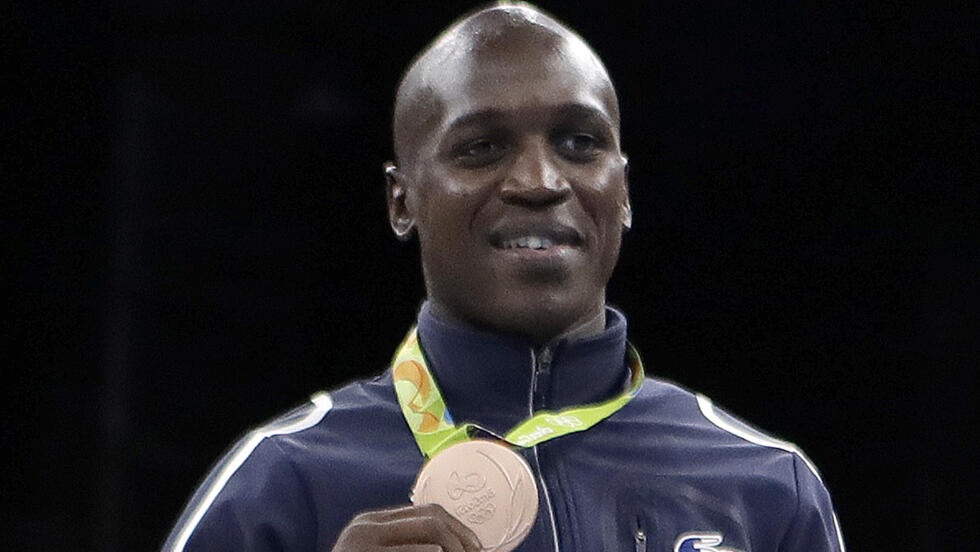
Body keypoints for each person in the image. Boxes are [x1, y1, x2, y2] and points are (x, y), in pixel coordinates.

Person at [163, 4, 846, 552]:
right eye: (482, 147)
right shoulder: (283, 484)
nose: (540, 182)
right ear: (402, 201)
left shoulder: (767, 489)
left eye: (579, 142)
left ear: (625, 190)